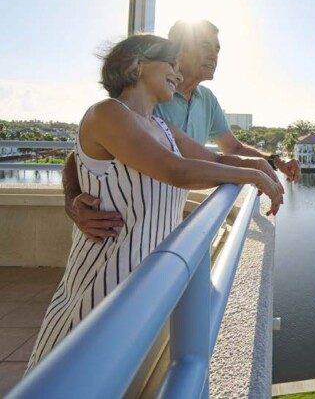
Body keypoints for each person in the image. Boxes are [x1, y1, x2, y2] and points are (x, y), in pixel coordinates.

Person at [28, 34, 283, 369]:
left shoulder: (161, 126)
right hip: (102, 285)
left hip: (146, 283)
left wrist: (260, 165)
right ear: (138, 63)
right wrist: (251, 177)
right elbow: (175, 171)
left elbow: (214, 160)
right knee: (74, 375)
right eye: (172, 66)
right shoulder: (107, 114)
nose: (177, 75)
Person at [64, 20, 301, 243]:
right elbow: (84, 156)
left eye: (217, 48)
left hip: (158, 234)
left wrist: (269, 163)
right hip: (111, 245)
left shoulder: (198, 105)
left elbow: (229, 151)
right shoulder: (124, 107)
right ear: (178, 51)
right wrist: (72, 202)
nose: (214, 55)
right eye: (205, 45)